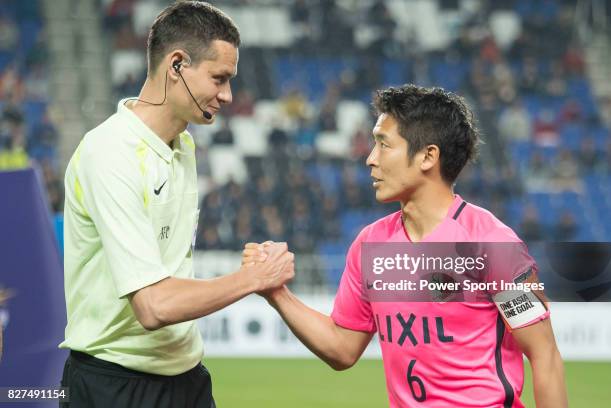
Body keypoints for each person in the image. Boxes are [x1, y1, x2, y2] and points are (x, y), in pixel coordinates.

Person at [244, 85, 567, 407]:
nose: (370, 159)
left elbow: (544, 355)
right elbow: (342, 348)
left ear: (428, 156)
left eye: (384, 145)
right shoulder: (370, 245)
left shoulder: (493, 245)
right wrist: (276, 292)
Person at [59, 2, 294, 407]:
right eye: (219, 79)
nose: (227, 95)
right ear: (177, 65)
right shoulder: (110, 152)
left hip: (186, 377)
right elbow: (153, 306)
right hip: (113, 383)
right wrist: (251, 278)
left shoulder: (182, 144)